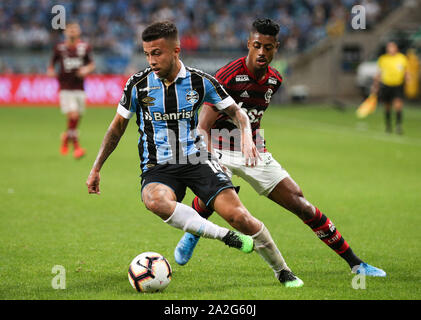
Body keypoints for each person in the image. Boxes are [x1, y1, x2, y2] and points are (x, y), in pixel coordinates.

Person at [86, 21, 304, 288]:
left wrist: (246, 136)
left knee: (240, 217)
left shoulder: (200, 81)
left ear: (176, 50)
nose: (151, 60)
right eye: (147, 54)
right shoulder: (137, 85)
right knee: (154, 201)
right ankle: (226, 236)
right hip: (158, 166)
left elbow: (237, 113)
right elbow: (116, 128)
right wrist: (96, 168)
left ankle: (282, 270)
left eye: (157, 53)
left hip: (196, 159)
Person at [174, 18, 386, 278]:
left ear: (276, 47)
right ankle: (194, 231)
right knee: (222, 196)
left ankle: (356, 264)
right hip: (218, 147)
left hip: (255, 149)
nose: (262, 52)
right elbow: (203, 126)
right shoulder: (227, 75)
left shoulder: (275, 80)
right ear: (248, 44)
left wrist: (252, 142)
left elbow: (253, 119)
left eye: (268, 47)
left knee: (301, 203)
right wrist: (210, 162)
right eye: (257, 45)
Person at [47, 22, 95, 158]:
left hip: (79, 87)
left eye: (75, 29)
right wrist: (51, 71)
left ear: (79, 31)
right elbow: (51, 65)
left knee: (76, 118)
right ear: (65, 32)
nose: (73, 32)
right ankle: (77, 147)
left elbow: (91, 64)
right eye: (70, 30)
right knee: (73, 115)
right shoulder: (59, 48)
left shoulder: (85, 47)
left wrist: (86, 69)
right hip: (65, 87)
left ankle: (65, 137)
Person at [372, 41, 409, 134]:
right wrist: (375, 85)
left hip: (398, 85)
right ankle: (388, 126)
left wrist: (408, 79)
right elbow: (379, 73)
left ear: (396, 48)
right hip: (386, 85)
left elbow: (406, 71)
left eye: (392, 47)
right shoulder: (383, 59)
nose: (391, 49)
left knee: (398, 105)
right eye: (389, 47)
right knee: (387, 106)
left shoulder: (402, 58)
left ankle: (398, 125)